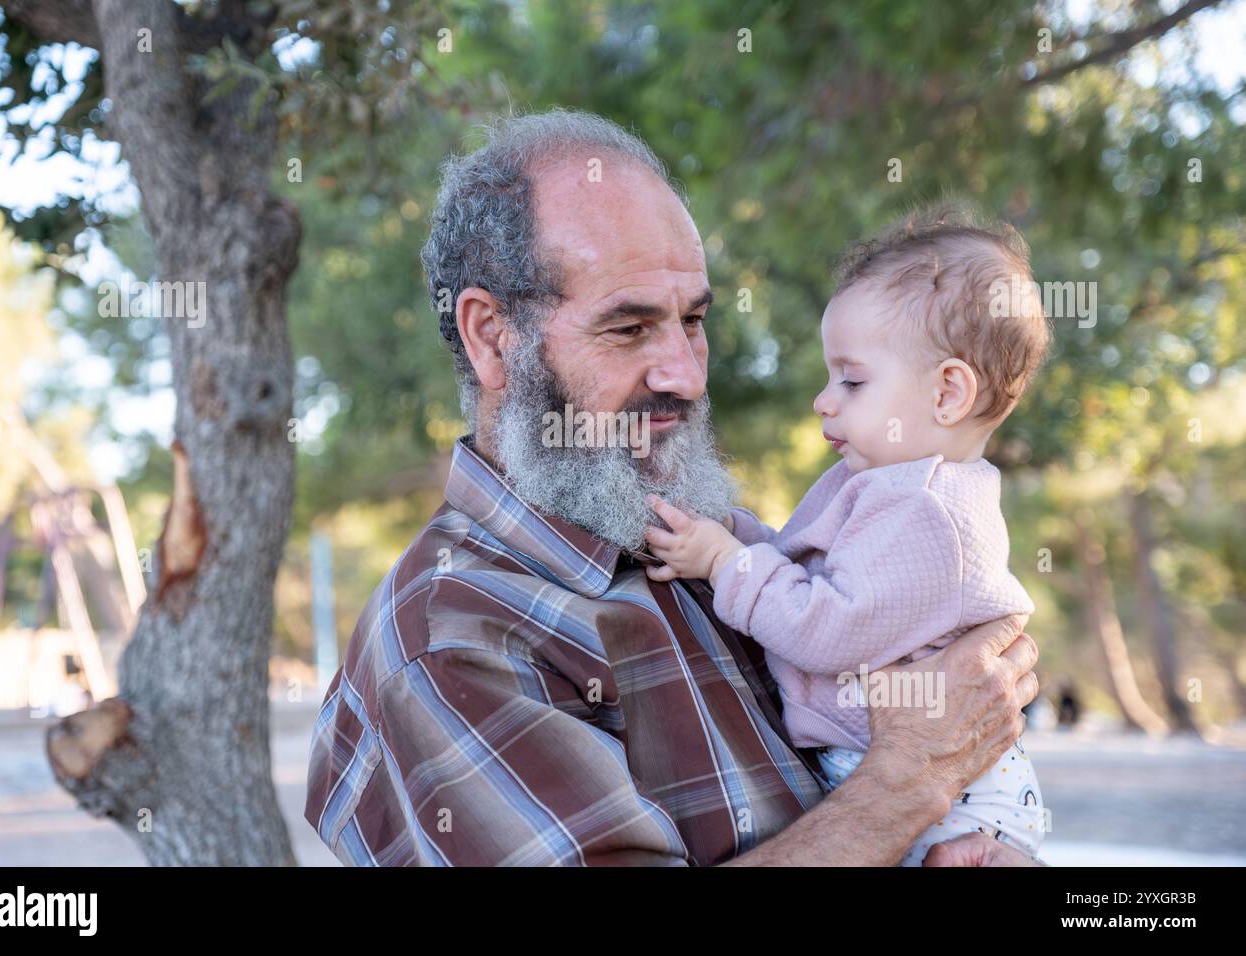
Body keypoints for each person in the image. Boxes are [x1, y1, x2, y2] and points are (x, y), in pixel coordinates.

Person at [304, 109, 1040, 866]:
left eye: (692, 320)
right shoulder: (452, 639)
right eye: (628, 329)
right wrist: (915, 774)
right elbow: (920, 744)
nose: (685, 375)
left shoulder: (688, 528)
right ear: (493, 337)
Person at [643, 204, 1051, 865]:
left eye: (853, 379)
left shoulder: (925, 510)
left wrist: (723, 563)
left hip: (955, 808)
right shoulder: (888, 482)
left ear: (948, 393)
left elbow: (826, 628)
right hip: (897, 769)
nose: (823, 400)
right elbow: (803, 564)